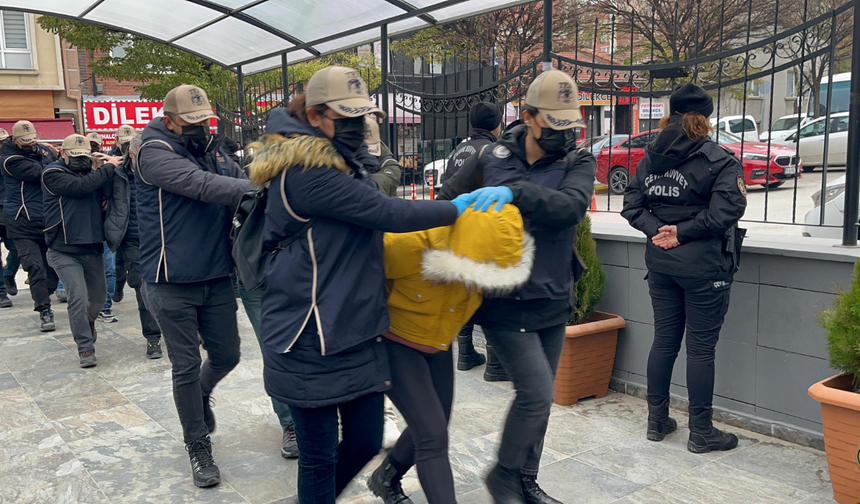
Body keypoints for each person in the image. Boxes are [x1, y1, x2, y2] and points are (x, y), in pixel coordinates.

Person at [247, 66, 474, 503]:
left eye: (361, 115)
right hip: (306, 334)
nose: (357, 124)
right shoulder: (306, 171)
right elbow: (390, 214)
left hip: (353, 328)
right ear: (314, 116)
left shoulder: (341, 162)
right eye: (345, 116)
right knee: (318, 458)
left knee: (367, 441)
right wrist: (460, 207)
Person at [439, 69, 596, 504]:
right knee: (537, 392)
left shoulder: (577, 160)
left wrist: (514, 194)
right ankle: (504, 477)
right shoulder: (490, 156)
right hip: (503, 300)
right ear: (528, 117)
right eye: (553, 125)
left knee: (539, 405)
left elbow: (569, 208)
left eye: (570, 126)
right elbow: (443, 199)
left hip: (553, 295)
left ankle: (526, 480)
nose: (563, 135)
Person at [369, 204, 535, 504]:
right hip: (394, 343)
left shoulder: (489, 258)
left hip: (438, 344)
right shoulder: (408, 244)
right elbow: (357, 287)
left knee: (435, 423)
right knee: (432, 437)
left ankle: (386, 476)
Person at [621, 82, 747, 454]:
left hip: (661, 265)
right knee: (700, 350)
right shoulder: (719, 158)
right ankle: (701, 431)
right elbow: (728, 209)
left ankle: (656, 421)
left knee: (664, 341)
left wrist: (660, 232)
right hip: (704, 268)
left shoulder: (650, 156)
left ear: (670, 114)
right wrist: (680, 233)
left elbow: (631, 204)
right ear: (705, 118)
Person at [137, 84, 252, 488]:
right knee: (185, 365)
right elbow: (202, 186)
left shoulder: (214, 149)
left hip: (216, 275)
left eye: (205, 121)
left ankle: (201, 396)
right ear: (169, 120)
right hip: (169, 281)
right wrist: (259, 188)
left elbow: (241, 179)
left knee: (228, 356)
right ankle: (197, 444)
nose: (201, 128)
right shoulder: (151, 151)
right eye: (192, 123)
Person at [42, 135, 121, 367]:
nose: (80, 161)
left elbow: (105, 193)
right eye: (75, 156)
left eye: (84, 157)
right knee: (77, 296)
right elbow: (79, 188)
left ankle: (87, 322)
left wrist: (102, 166)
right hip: (63, 248)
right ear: (64, 153)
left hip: (93, 246)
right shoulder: (51, 173)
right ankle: (85, 348)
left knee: (97, 299)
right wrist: (104, 169)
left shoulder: (92, 172)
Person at [442, 102, 506, 375]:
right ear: (496, 124)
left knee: (464, 289)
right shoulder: (491, 150)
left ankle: (465, 353)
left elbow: (447, 185)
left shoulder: (459, 149)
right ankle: (494, 362)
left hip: (456, 229)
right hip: (480, 229)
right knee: (491, 293)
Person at [105, 134, 163, 359]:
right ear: (132, 153)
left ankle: (186, 329)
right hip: (132, 239)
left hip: (163, 238)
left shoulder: (161, 171)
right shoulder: (117, 174)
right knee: (142, 289)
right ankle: (152, 338)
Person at [1, 121, 60, 331]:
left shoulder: (43, 150)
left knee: (52, 267)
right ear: (14, 140)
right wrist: (52, 157)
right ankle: (44, 310)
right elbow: (44, 173)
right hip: (20, 221)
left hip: (46, 219)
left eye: (32, 140)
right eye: (25, 142)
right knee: (34, 266)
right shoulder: (9, 159)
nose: (30, 144)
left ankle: (42, 290)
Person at [110, 124, 138, 304]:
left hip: (137, 225)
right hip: (119, 222)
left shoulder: (142, 162)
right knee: (118, 262)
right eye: (125, 142)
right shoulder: (111, 163)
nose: (127, 146)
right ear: (117, 141)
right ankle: (118, 284)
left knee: (136, 268)